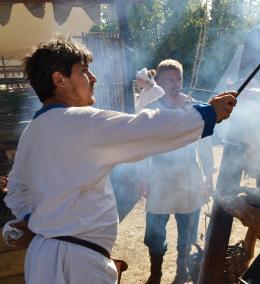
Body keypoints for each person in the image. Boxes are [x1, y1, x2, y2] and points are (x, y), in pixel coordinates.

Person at [4, 37, 237, 284]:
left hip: (43, 259)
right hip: (78, 265)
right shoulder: (81, 123)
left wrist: (31, 219)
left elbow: (16, 189)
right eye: (83, 71)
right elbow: (146, 129)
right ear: (59, 79)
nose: (93, 78)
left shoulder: (32, 131)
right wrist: (207, 114)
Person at [139, 59, 214, 284]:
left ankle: (182, 272)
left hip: (189, 176)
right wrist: (142, 176)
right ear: (159, 81)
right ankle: (155, 274)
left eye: (179, 78)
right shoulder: (151, 109)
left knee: (188, 232)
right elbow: (142, 145)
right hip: (159, 177)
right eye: (170, 79)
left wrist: (208, 176)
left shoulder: (196, 107)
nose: (176, 83)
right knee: (155, 234)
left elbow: (205, 144)